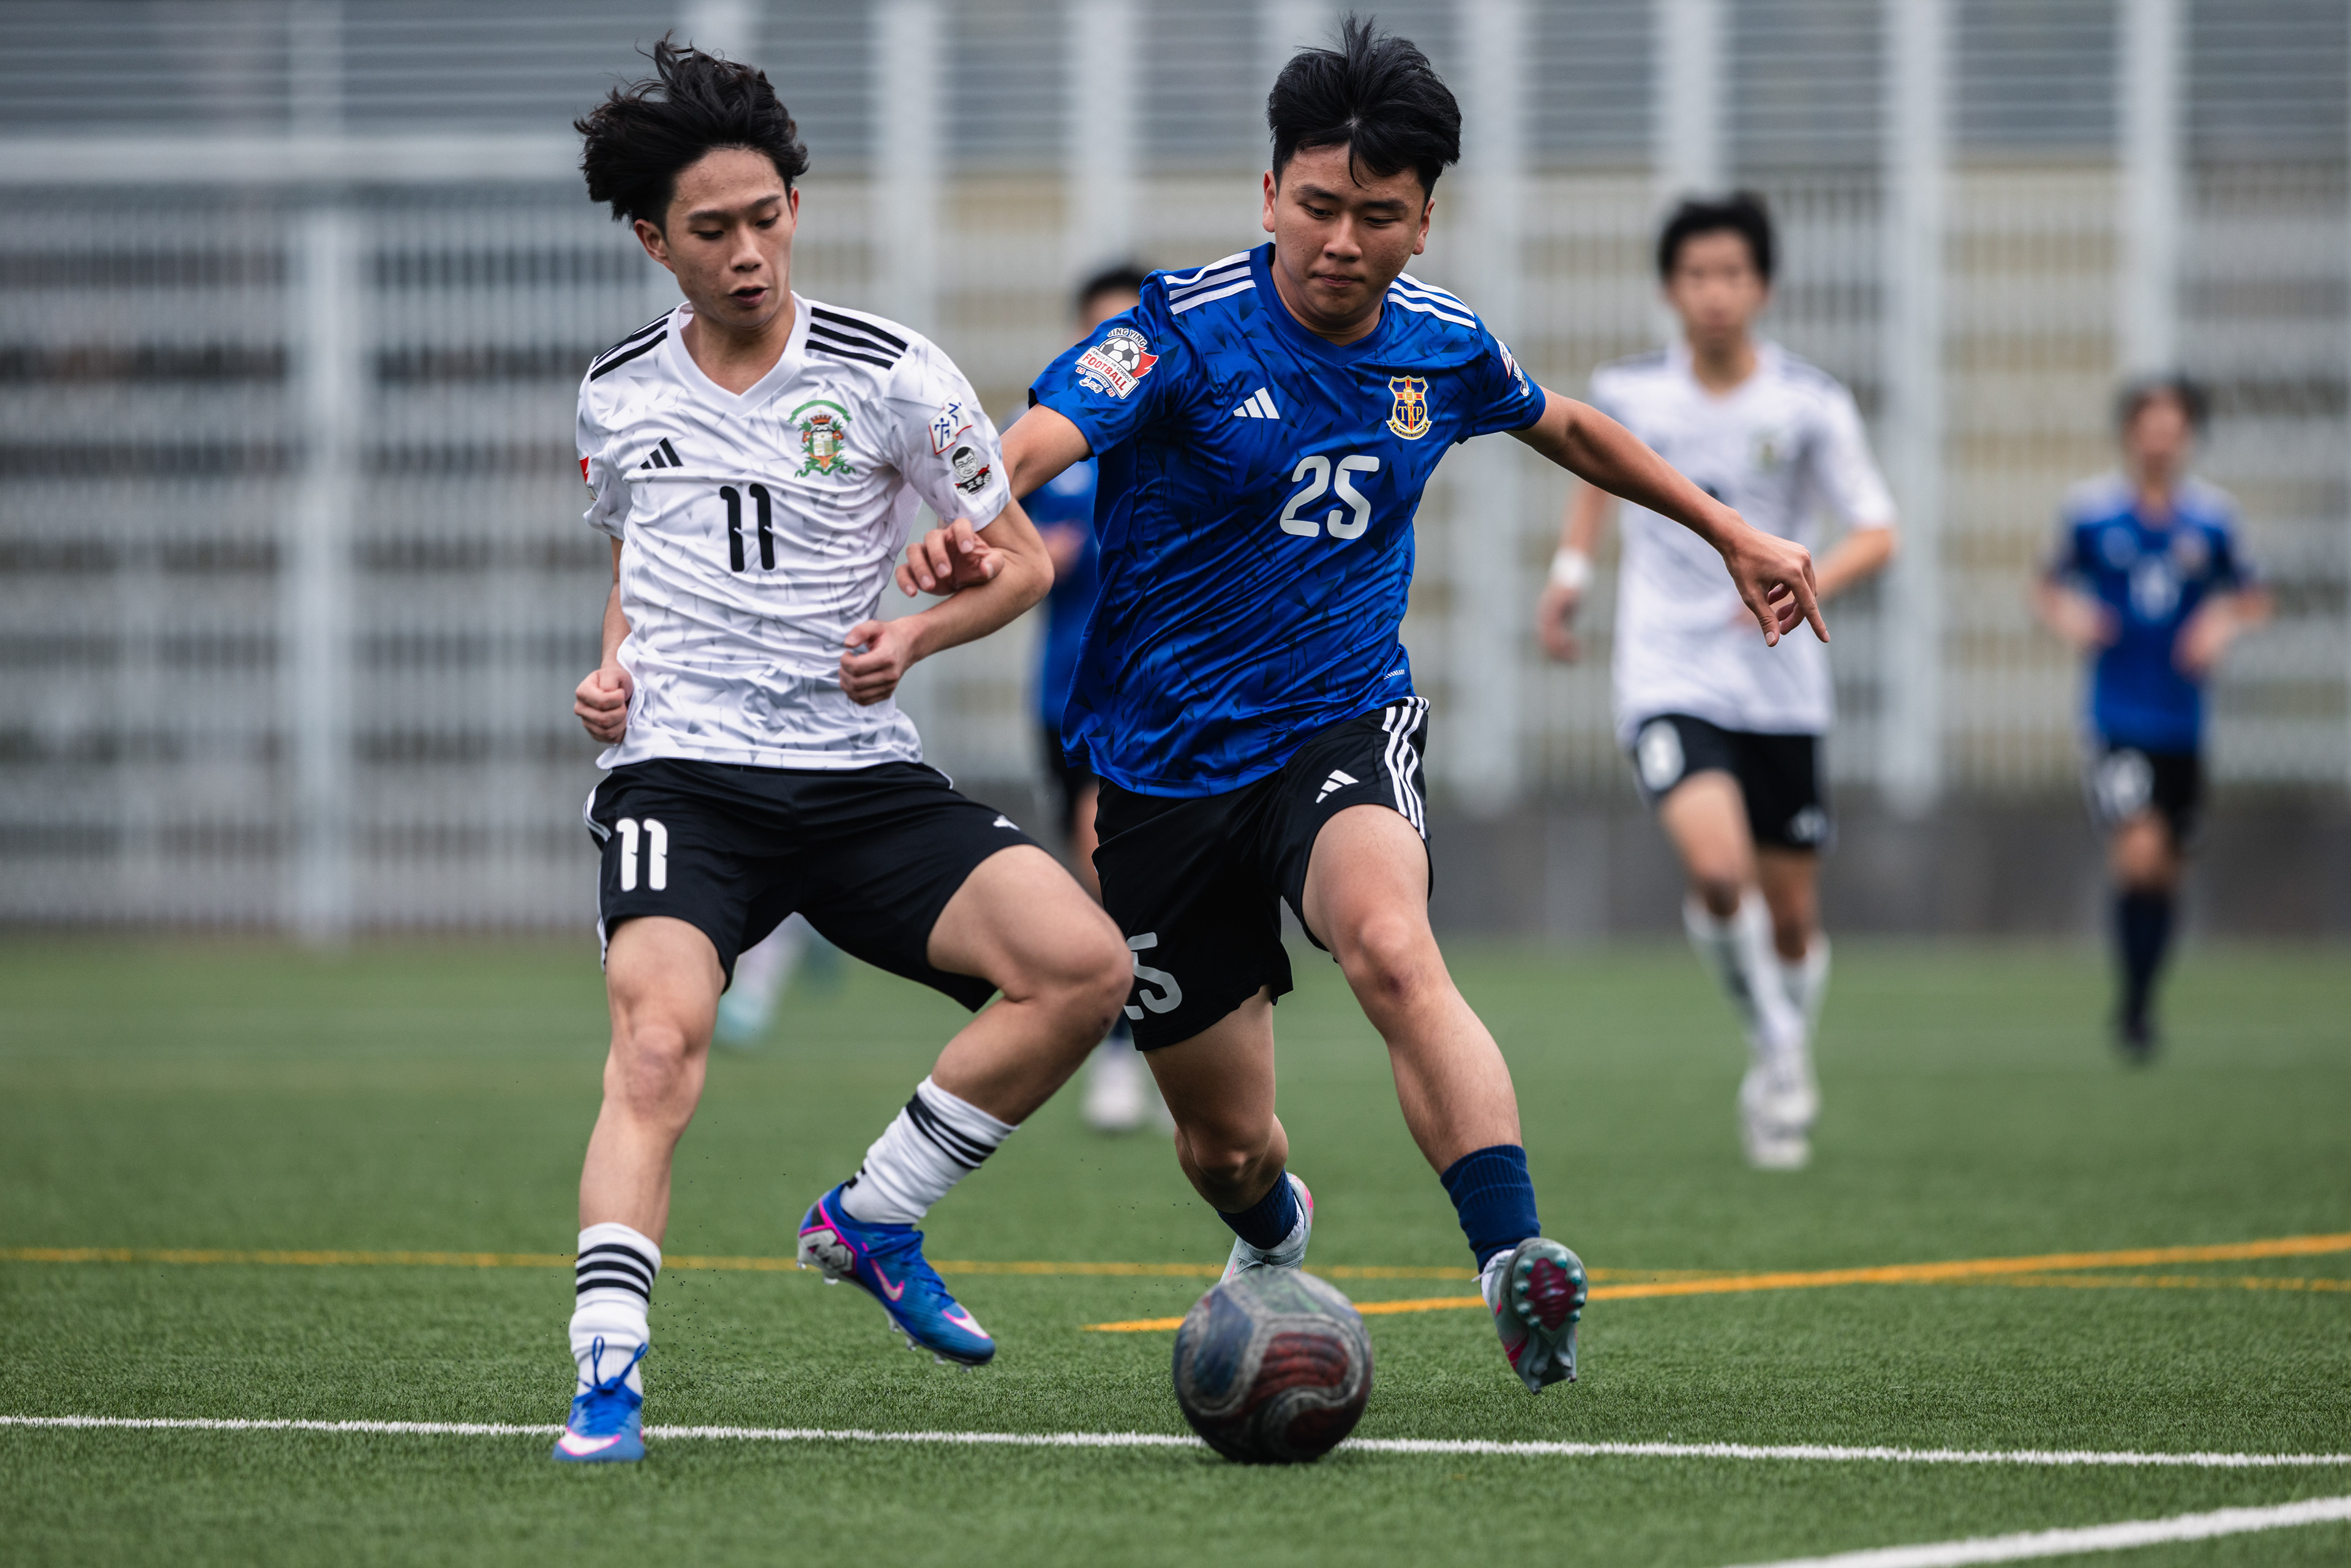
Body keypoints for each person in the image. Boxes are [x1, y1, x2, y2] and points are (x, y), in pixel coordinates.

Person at [904, 19, 1826, 1393]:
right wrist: (979, 511)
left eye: (1377, 215)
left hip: (1340, 721)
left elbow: (1563, 423)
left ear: (1423, 218)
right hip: (1161, 770)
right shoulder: (1179, 329)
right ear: (1270, 192)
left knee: (1393, 942)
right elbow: (1041, 434)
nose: (1342, 238)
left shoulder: (1442, 346)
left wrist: (1726, 527)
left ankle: (1516, 1260)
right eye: (1319, 205)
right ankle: (1276, 1225)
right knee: (1226, 1146)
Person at [555, 42, 1130, 1463]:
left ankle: (873, 1211)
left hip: (859, 772)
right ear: (651, 240)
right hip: (680, 774)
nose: (748, 252)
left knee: (1084, 966)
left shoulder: (894, 374)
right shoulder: (617, 392)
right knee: (659, 1038)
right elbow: (644, 552)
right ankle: (606, 1370)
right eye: (711, 230)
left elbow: (1015, 568)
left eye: (768, 216)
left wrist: (914, 638)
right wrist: (614, 659)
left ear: (794, 206)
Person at [1534, 193, 1898, 1171]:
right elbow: (1593, 485)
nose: (1715, 293)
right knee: (1716, 869)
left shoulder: (1808, 404)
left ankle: (1777, 1046)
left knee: (1790, 919)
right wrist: (1568, 581)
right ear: (1670, 290)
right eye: (1697, 275)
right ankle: (1784, 1054)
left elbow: (1876, 528)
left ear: (1763, 286)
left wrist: (1801, 574)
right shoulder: (1634, 392)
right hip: (1669, 668)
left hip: (1780, 681)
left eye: (1733, 274)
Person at [2034, 376, 2269, 1060]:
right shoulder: (2090, 512)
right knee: (2137, 851)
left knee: (2169, 869)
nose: (2161, 439)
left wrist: (2220, 621)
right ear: (2130, 434)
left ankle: (2141, 1001)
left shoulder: (2215, 520)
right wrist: (2072, 615)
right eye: (2149, 425)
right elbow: (2046, 585)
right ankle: (2132, 1012)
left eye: (2174, 426)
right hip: (2116, 715)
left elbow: (2254, 597)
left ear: (2188, 435)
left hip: (2185, 720)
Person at [1027, 264, 1162, 1132]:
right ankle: (1124, 1048)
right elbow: (1002, 544)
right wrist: (1045, 555)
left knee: (1127, 873)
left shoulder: (1187, 425)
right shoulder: (1050, 440)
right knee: (1102, 875)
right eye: (1098, 336)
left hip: (1171, 696)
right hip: (1076, 695)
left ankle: (1135, 1052)